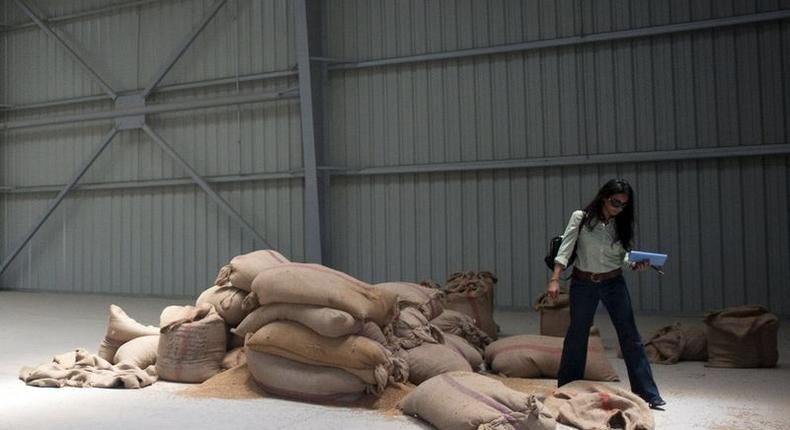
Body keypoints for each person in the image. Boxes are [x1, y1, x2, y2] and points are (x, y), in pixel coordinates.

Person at [546, 178, 666, 409]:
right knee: (577, 335)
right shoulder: (580, 218)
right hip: (583, 283)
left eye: (623, 204)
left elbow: (621, 256)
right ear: (604, 197)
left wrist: (635, 263)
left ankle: (648, 393)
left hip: (613, 282)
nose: (619, 208)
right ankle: (568, 388)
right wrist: (555, 279)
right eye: (615, 202)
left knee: (630, 335)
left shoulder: (620, 224)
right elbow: (566, 248)